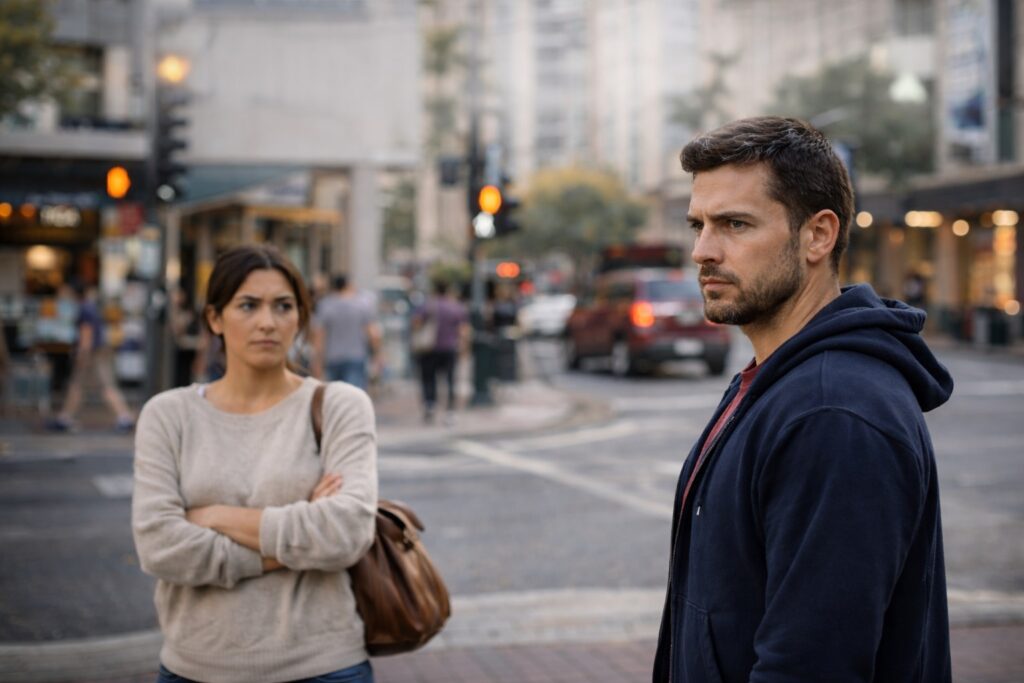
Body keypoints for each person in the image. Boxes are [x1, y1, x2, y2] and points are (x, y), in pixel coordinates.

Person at [653, 117, 953, 683]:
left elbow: (813, 665)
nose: (702, 251)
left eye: (734, 224)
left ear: (818, 235)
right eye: (697, 225)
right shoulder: (775, 381)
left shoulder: (831, 413)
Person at [132, 245, 378, 683]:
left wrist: (214, 517)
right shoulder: (168, 415)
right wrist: (294, 544)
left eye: (283, 306)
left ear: (300, 318)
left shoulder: (339, 406)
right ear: (214, 319)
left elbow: (347, 534)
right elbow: (159, 547)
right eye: (248, 305)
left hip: (323, 666)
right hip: (195, 668)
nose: (268, 322)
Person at [48, 285, 134, 432]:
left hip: (93, 354)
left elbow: (86, 334)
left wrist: (82, 354)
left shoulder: (84, 309)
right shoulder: (90, 307)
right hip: (96, 353)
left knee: (103, 386)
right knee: (78, 386)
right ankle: (65, 417)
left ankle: (125, 417)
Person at [311, 274, 381, 390]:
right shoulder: (361, 304)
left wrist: (317, 360)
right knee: (353, 397)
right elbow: (373, 333)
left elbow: (319, 336)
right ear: (348, 285)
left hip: (332, 358)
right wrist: (377, 355)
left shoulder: (325, 305)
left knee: (334, 397)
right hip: (356, 357)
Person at [412, 280, 468, 424]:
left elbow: (416, 322)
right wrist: (464, 347)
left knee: (429, 378)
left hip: (429, 348)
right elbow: (463, 330)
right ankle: (450, 411)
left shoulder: (428, 305)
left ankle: (430, 405)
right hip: (449, 348)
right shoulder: (455, 307)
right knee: (450, 380)